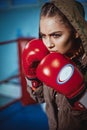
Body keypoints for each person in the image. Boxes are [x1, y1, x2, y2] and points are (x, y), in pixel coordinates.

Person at [22, 0, 87, 130]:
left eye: (56, 35)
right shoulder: (48, 58)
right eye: (43, 36)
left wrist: (80, 96)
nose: (48, 44)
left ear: (76, 31)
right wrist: (32, 79)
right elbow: (39, 98)